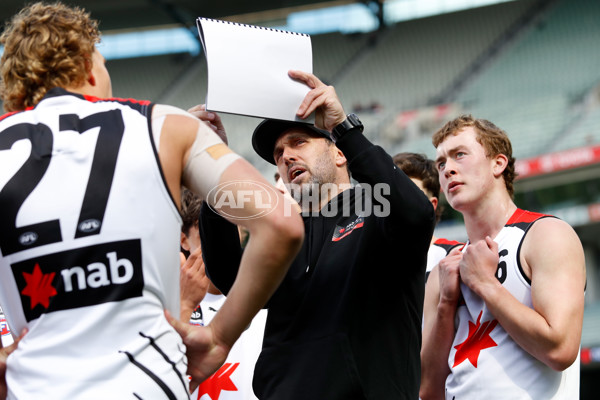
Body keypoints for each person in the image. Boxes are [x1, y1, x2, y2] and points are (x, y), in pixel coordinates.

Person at [0, 3, 303, 398]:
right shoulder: (165, 125)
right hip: (149, 382)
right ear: (89, 68)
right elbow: (280, 221)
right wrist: (219, 337)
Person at [195, 70, 436, 399]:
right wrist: (213, 164)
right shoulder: (282, 236)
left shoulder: (377, 210)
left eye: (298, 142)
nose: (286, 156)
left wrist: (344, 129)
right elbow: (229, 278)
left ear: (339, 154)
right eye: (279, 154)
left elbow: (416, 213)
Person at [420, 115, 586, 399]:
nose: (448, 169)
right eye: (441, 163)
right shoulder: (443, 269)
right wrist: (447, 302)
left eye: (460, 155)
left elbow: (560, 350)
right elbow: (428, 389)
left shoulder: (546, 234)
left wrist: (486, 284)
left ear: (498, 163)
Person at [179, 188, 266, 400]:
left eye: (229, 227)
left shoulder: (267, 293)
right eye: (205, 232)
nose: (217, 242)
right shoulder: (170, 305)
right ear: (184, 241)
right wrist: (184, 305)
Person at [392, 152, 463, 282]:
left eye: (411, 195)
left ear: (431, 205)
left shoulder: (456, 256)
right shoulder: (367, 262)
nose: (400, 202)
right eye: (394, 194)